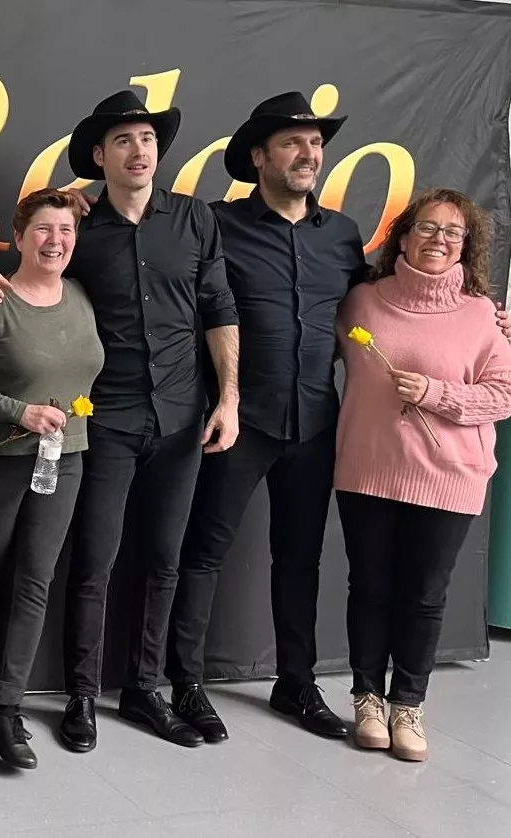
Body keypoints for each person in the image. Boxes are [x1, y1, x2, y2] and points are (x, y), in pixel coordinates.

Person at [0, 90, 240, 751]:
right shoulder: (78, 227)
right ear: (99, 156)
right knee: (92, 562)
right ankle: (82, 696)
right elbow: (31, 280)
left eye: (146, 138)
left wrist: (228, 399)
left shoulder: (194, 219)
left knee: (164, 560)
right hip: (105, 424)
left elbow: (218, 308)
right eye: (121, 140)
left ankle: (146, 690)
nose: (137, 149)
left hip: (182, 417)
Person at [162, 92, 362, 744]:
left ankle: (295, 684)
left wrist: (480, 311)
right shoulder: (214, 223)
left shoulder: (341, 233)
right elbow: (146, 242)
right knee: (202, 553)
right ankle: (184, 682)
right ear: (258, 156)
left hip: (315, 421)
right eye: (292, 143)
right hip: (237, 419)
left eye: (314, 144)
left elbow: (384, 301)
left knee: (299, 557)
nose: (308, 154)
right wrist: (77, 205)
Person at [335, 188, 511, 762]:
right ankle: (367, 698)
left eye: (453, 231)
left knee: (423, 596)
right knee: (370, 588)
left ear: (467, 244)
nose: (439, 240)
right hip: (369, 470)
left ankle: (408, 704)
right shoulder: (360, 302)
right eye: (428, 228)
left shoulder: (484, 313)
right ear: (403, 237)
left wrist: (437, 394)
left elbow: (502, 395)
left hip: (449, 475)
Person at [0, 188, 104, 769]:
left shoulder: (80, 296)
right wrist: (20, 411)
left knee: (35, 580)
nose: (55, 241)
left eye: (65, 231)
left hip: (66, 458)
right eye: (43, 230)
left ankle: (3, 707)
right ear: (20, 235)